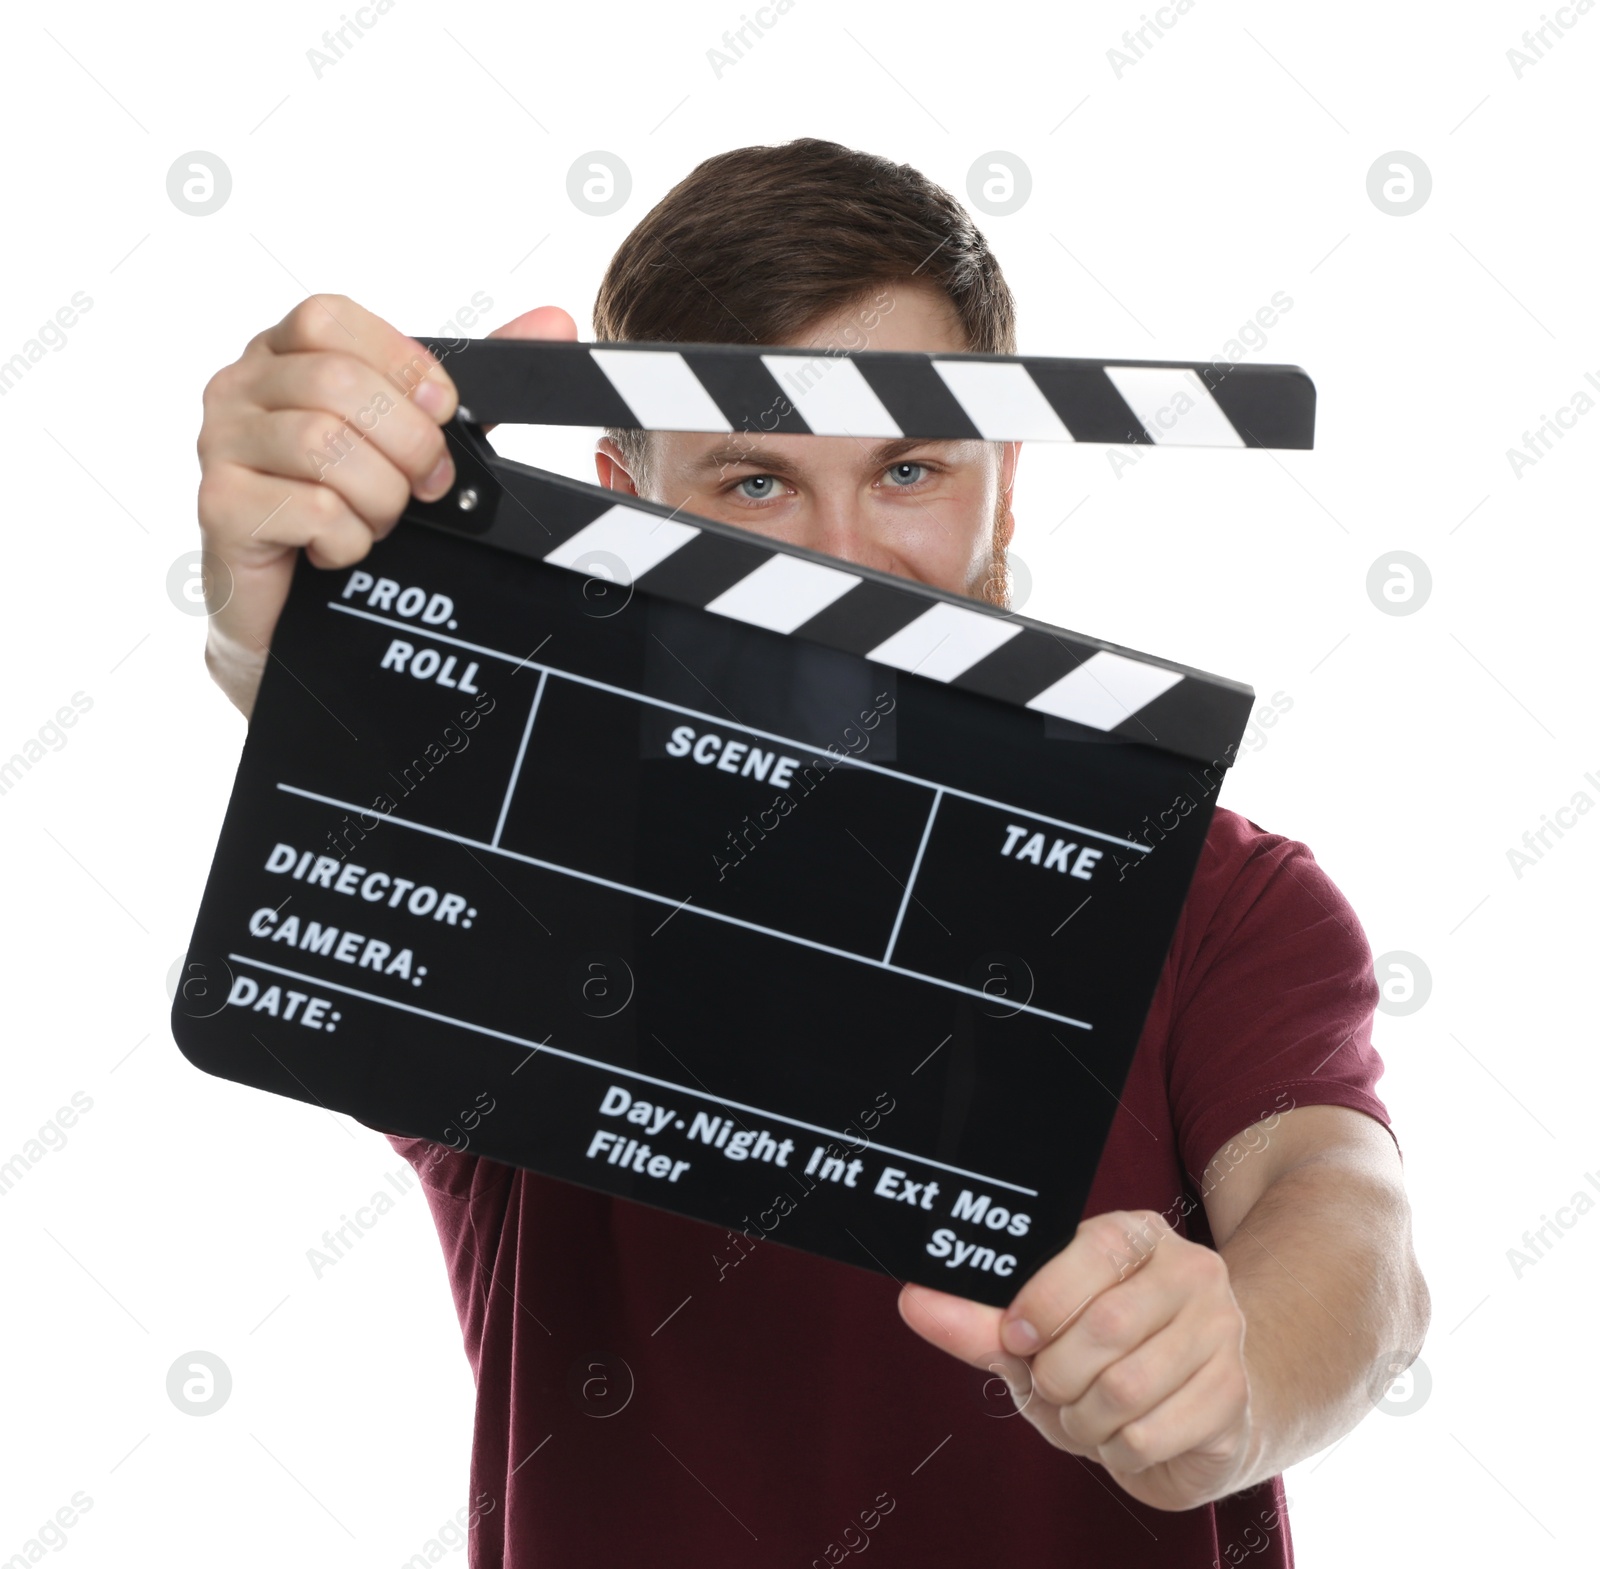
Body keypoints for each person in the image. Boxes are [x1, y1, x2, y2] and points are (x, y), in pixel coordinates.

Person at [194, 138, 1429, 1567]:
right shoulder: (545, 851)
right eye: (756, 484)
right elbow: (365, 765)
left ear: (1004, 483)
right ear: (623, 494)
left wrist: (1241, 1368)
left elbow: (1349, 1217)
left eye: (907, 468)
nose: (839, 560)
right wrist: (278, 632)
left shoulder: (1220, 893)